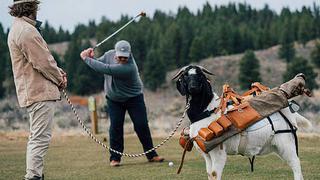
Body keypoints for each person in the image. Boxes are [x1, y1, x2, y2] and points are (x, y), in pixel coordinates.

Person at [7, 0, 67, 179]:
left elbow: (41, 61)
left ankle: (35, 175)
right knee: (40, 139)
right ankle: (33, 176)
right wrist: (59, 78)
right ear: (32, 7)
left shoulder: (20, 28)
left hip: (34, 91)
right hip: (38, 92)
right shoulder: (26, 31)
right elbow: (42, 62)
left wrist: (57, 72)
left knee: (38, 137)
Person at [80, 40, 164, 166]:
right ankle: (115, 158)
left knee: (141, 125)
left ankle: (151, 155)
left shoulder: (129, 67)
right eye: (120, 56)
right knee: (115, 127)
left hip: (134, 98)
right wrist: (92, 57)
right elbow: (100, 62)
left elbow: (105, 68)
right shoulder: (109, 54)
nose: (122, 59)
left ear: (129, 54)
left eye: (125, 57)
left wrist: (85, 58)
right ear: (115, 53)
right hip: (114, 100)